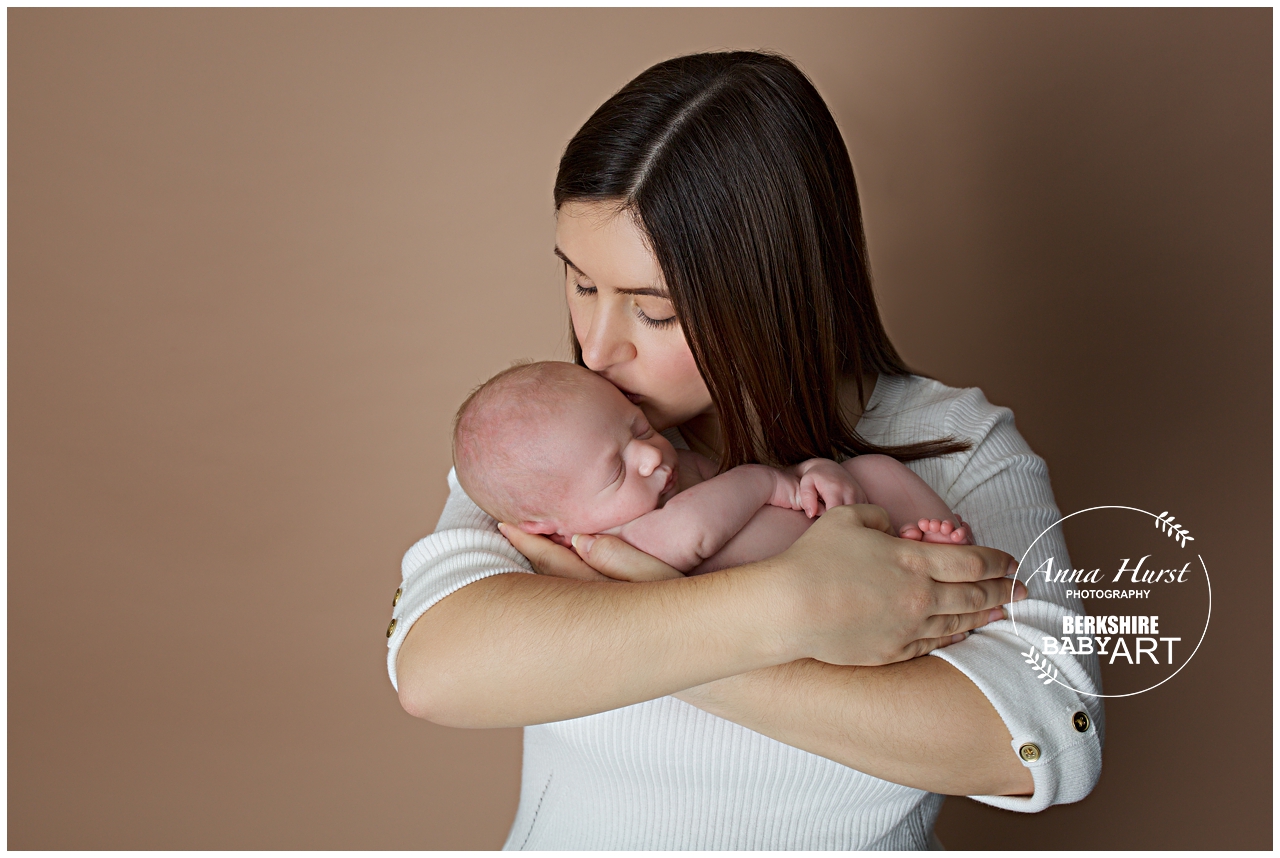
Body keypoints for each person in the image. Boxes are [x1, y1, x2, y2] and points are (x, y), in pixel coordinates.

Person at [388, 51, 1103, 850]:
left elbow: (1046, 744)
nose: (595, 351)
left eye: (651, 311)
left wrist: (635, 606)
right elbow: (437, 668)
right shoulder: (558, 439)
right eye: (582, 284)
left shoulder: (960, 448)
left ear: (770, 290)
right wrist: (797, 607)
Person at [452, 359, 974, 576]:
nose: (652, 455)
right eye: (617, 471)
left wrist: (815, 471)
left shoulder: (674, 471)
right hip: (821, 592)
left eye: (637, 428)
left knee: (874, 470)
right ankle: (924, 567)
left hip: (841, 540)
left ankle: (939, 547)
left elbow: (772, 490)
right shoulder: (611, 542)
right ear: (551, 527)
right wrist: (768, 480)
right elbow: (696, 532)